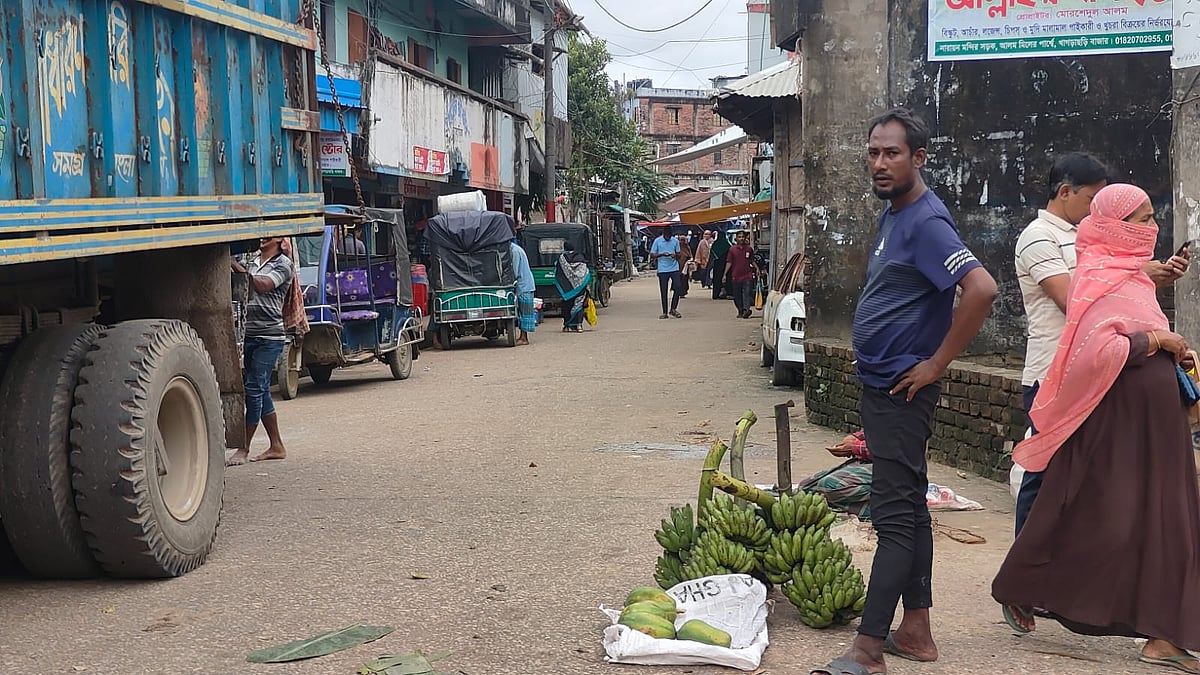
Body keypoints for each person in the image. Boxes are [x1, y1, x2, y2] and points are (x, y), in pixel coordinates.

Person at [810, 108, 998, 675]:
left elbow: (981, 289)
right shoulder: (896, 215)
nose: (880, 162)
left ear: (918, 157)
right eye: (873, 152)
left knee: (891, 516)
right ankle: (915, 631)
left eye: (892, 153)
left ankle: (867, 651)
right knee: (910, 506)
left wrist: (938, 363)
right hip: (884, 385)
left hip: (901, 389)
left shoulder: (925, 221)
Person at [992, 183, 1200, 672]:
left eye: (1151, 218)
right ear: (1114, 225)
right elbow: (1096, 354)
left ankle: (1163, 635)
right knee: (1096, 515)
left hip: (1154, 424)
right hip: (1118, 421)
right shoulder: (1096, 278)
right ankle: (1025, 586)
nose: (1152, 229)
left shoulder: (1133, 277)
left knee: (1163, 520)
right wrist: (1154, 339)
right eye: (1143, 220)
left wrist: (1175, 349)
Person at [1013, 153, 1190, 534]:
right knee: (1047, 475)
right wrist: (1132, 273)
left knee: (1090, 480)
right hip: (1053, 371)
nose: (1096, 212)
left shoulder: (1091, 241)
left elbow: (1116, 306)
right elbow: (1074, 298)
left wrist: (1144, 277)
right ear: (1065, 192)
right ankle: (1026, 572)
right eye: (1092, 201)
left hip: (1105, 374)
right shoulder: (1037, 238)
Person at [227, 236, 296, 467]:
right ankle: (276, 446)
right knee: (262, 389)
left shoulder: (283, 264)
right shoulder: (253, 260)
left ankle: (243, 448)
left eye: (268, 233)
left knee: (254, 389)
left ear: (279, 239)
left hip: (270, 337)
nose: (262, 236)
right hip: (249, 334)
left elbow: (262, 285)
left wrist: (234, 265)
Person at [555, 243, 590, 332]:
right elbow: (585, 271)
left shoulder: (562, 258)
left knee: (567, 306)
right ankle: (579, 326)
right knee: (579, 305)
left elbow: (558, 271)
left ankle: (566, 326)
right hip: (580, 286)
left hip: (566, 287)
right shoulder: (580, 257)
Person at [650, 226, 682, 319]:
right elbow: (652, 255)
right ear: (664, 234)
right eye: (666, 236)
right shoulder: (657, 241)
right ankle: (664, 312)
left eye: (669, 236)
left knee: (678, 286)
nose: (668, 238)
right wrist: (662, 254)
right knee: (663, 291)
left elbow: (679, 254)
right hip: (663, 269)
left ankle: (673, 308)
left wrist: (675, 255)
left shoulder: (675, 241)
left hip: (674, 267)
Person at [724, 231, 758, 319]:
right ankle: (740, 310)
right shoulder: (732, 250)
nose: (741, 238)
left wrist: (757, 268)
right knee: (737, 294)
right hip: (736, 275)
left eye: (743, 236)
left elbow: (752, 260)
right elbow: (729, 262)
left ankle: (747, 310)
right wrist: (725, 274)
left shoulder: (749, 249)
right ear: (736, 238)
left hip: (747, 275)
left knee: (747, 293)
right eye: (739, 237)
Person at [511, 237, 536, 345]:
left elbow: (515, 271)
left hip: (524, 286)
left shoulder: (514, 251)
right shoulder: (516, 249)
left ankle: (524, 338)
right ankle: (523, 336)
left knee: (524, 313)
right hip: (525, 285)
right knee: (523, 312)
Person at [710, 229, 732, 299]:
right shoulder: (727, 244)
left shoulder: (715, 244)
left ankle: (716, 294)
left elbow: (712, 253)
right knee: (728, 278)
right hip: (726, 264)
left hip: (717, 264)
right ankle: (729, 293)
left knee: (716, 279)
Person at [677, 234, 693, 298]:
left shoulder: (687, 247)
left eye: (683, 240)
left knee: (684, 280)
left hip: (685, 267)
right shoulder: (677, 248)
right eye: (680, 240)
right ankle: (678, 292)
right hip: (678, 267)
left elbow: (690, 255)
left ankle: (683, 292)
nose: (682, 242)